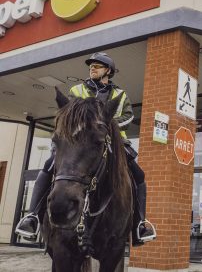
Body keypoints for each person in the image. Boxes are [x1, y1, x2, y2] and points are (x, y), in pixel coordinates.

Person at [15, 52, 156, 246]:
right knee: (48, 166)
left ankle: (140, 224)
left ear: (108, 71)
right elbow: (69, 113)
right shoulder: (77, 89)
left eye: (97, 66)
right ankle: (32, 217)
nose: (92, 68)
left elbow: (129, 116)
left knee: (138, 175)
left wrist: (107, 124)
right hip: (76, 140)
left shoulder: (120, 94)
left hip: (113, 140)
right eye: (91, 66)